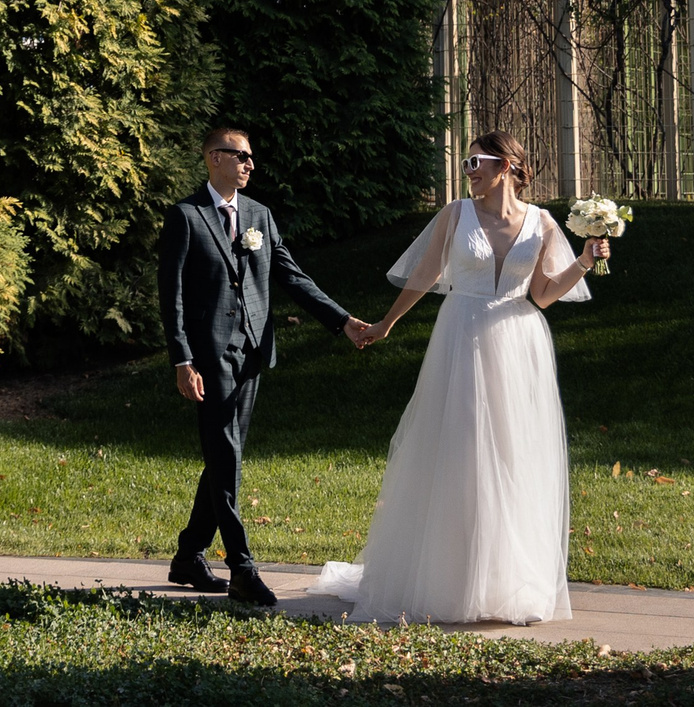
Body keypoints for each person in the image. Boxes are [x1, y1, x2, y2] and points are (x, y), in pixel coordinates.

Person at [316, 130, 612, 625]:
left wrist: (584, 261)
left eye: (476, 162)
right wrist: (386, 323)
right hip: (462, 337)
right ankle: (450, 580)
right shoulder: (455, 215)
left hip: (519, 342)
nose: (468, 171)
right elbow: (425, 274)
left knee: (512, 456)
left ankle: (506, 583)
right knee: (461, 449)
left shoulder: (541, 222)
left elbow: (542, 294)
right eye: (467, 163)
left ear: (506, 167)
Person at [158, 124, 373, 607]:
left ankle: (189, 556)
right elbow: (171, 296)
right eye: (241, 156)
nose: (249, 164)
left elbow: (292, 276)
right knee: (226, 454)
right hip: (208, 355)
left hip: (252, 351)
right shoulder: (186, 216)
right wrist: (182, 359)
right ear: (214, 158)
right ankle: (242, 568)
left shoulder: (259, 215)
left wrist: (342, 321)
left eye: (250, 157)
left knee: (224, 456)